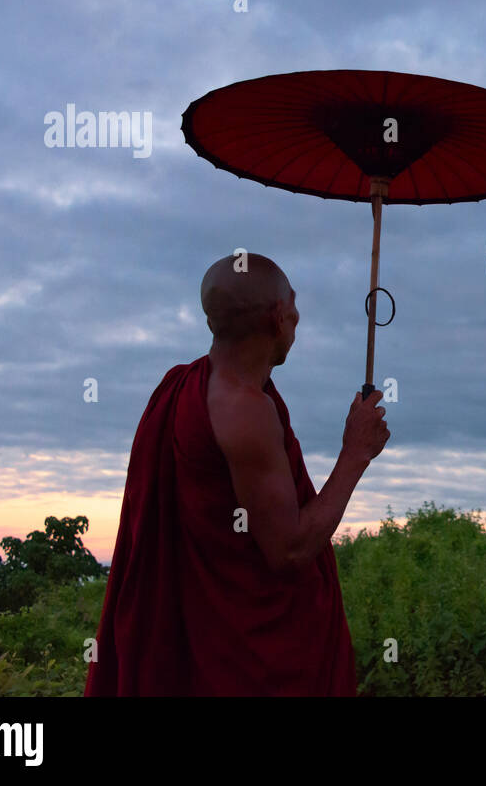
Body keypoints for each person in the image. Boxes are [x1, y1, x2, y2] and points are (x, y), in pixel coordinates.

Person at [85, 252, 389, 695]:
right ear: (277, 317)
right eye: (293, 305)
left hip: (204, 639)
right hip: (250, 661)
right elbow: (288, 550)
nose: (298, 318)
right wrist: (355, 454)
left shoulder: (182, 386)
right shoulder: (245, 411)